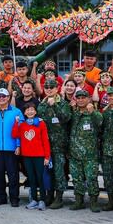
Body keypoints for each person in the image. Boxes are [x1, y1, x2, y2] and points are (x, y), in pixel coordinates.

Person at [36, 79, 71, 209]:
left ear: (57, 88)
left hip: (59, 144)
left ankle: (59, 197)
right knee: (48, 171)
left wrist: (54, 106)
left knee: (58, 171)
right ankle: (49, 195)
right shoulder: (42, 105)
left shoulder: (62, 103)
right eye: (47, 87)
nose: (49, 89)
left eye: (52, 87)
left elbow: (66, 118)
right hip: (45, 145)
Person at [69, 89, 103, 212]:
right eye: (78, 98)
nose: (81, 100)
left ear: (88, 99)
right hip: (74, 152)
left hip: (90, 154)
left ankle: (94, 201)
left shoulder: (94, 113)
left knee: (91, 178)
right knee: (77, 178)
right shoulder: (73, 113)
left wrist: (92, 111)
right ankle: (79, 200)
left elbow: (100, 123)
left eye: (83, 97)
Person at [13, 102, 51, 210]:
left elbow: (45, 141)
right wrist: (16, 123)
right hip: (27, 156)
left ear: (35, 111)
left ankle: (42, 200)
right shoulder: (23, 124)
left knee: (40, 178)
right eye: (27, 110)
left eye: (32, 110)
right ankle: (34, 200)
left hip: (39, 155)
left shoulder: (41, 123)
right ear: (24, 112)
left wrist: (47, 157)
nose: (30, 112)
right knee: (31, 178)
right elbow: (15, 134)